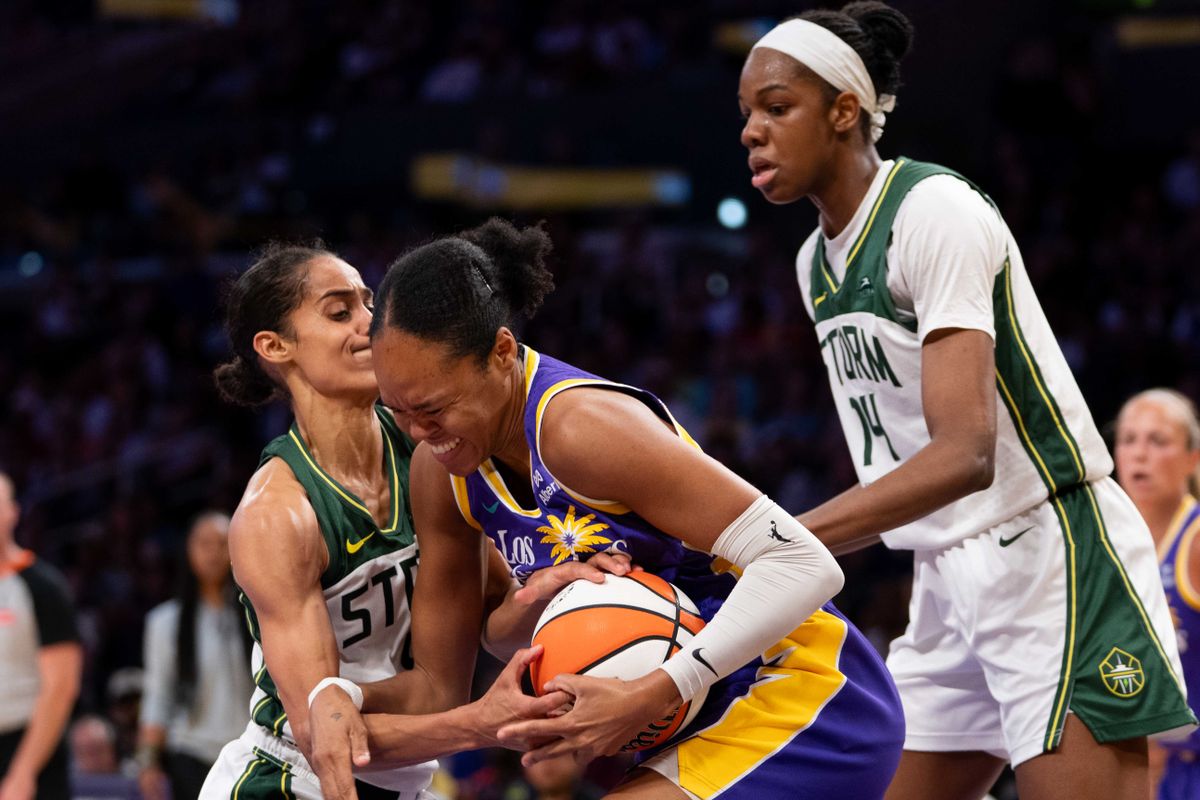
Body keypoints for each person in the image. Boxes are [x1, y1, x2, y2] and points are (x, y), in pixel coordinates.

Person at [736, 3, 1196, 798]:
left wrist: (778, 539)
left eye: (776, 108)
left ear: (844, 111)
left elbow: (966, 454)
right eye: (746, 113)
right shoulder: (815, 262)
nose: (751, 131)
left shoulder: (931, 210)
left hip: (1048, 551)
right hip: (945, 569)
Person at [366, 217, 905, 800]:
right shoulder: (440, 473)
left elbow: (804, 563)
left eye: (433, 408)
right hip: (694, 713)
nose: (418, 432)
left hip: (798, 691)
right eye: (397, 411)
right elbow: (472, 662)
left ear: (500, 353)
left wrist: (653, 692)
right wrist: (540, 600)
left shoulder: (580, 429)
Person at [200, 242, 608, 800]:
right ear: (276, 346)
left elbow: (494, 622)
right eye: (339, 312)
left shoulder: (432, 450)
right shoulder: (277, 514)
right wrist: (481, 724)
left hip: (407, 776)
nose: (369, 324)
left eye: (369, 305)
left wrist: (550, 594)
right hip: (293, 777)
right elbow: (323, 735)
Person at [1115, 389, 1200, 799]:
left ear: (1192, 458)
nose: (1139, 453)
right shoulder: (1104, 543)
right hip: (1135, 766)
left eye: (1158, 440)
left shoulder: (1195, 541)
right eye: (1128, 439)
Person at [137, 511, 253, 800]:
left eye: (222, 543)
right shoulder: (165, 622)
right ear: (188, 550)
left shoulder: (258, 617)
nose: (213, 553)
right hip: (190, 754)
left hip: (250, 753)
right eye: (204, 543)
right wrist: (148, 761)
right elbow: (158, 695)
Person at [0, 471, 82, 800]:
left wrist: (23, 773)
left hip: (27, 752)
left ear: (13, 512)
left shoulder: (43, 587)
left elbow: (60, 687)